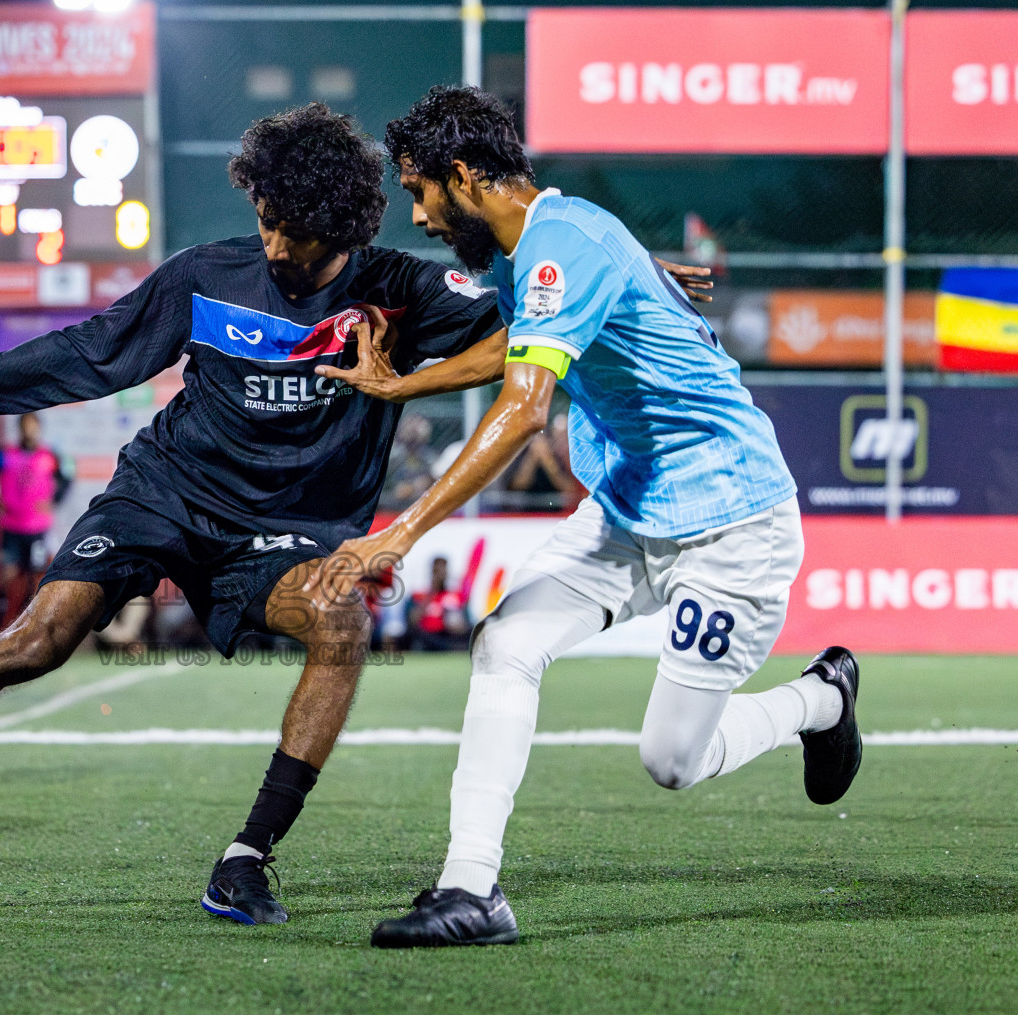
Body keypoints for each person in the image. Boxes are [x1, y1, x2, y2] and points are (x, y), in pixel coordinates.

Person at [0, 103, 716, 927]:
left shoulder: (406, 290)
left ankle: (248, 855)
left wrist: (652, 283)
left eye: (286, 229)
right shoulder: (205, 276)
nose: (268, 243)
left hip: (294, 530)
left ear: (335, 229)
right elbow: (92, 354)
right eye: (261, 220)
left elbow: (544, 309)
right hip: (167, 491)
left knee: (340, 619)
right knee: (40, 638)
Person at [307, 86, 860, 947]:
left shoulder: (563, 243)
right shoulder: (524, 248)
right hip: (627, 513)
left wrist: (399, 533)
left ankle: (819, 700)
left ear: (461, 174)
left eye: (419, 190)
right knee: (505, 642)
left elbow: (526, 406)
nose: (415, 215)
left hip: (731, 521)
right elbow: (517, 341)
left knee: (674, 763)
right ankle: (471, 891)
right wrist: (407, 383)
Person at [0, 412, 72, 628]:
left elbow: (67, 477)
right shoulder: (4, 455)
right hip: (11, 527)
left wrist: (54, 500)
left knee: (34, 578)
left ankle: (29, 626)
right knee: (5, 577)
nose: (29, 431)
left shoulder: (49, 456)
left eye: (33, 426)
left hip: (37, 528)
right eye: (25, 426)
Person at [408, 556, 471, 651]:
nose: (440, 574)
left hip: (450, 634)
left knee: (472, 631)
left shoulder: (455, 595)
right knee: (418, 635)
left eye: (443, 570)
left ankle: (453, 647)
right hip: (429, 635)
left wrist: (458, 625)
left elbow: (464, 621)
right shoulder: (419, 595)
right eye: (437, 571)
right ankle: (451, 648)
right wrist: (432, 591)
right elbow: (412, 621)